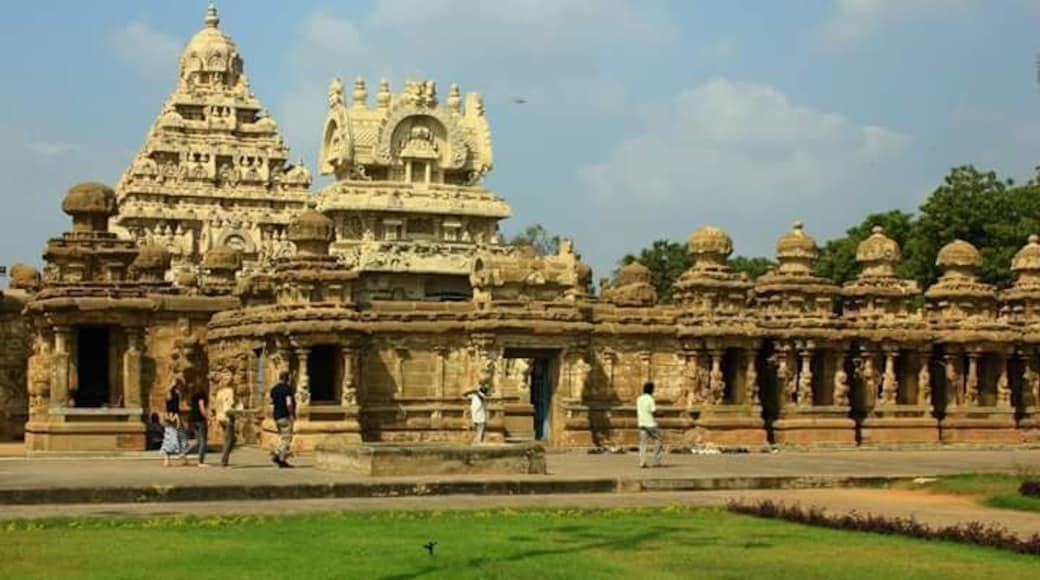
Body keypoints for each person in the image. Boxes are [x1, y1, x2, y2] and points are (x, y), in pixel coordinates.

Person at [160, 380, 189, 467]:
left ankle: (181, 457)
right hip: (173, 416)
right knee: (174, 438)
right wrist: (176, 418)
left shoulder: (174, 394)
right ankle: (172, 458)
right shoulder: (172, 394)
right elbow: (173, 408)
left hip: (172, 416)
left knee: (176, 437)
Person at [270, 371, 295, 468]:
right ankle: (281, 458)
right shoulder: (287, 389)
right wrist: (291, 413)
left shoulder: (274, 389)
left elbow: (272, 401)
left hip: (276, 416)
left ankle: (277, 454)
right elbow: (289, 403)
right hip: (284, 415)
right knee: (287, 438)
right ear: (287, 379)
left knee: (281, 436)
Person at [214, 385, 243, 468]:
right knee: (229, 440)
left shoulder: (220, 393)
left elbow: (217, 406)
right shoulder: (230, 393)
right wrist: (238, 409)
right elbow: (229, 408)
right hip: (227, 419)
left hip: (220, 418)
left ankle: (224, 458)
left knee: (232, 439)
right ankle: (224, 461)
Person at [637, 381, 664, 468]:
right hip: (650, 423)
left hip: (641, 423)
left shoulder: (639, 399)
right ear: (651, 390)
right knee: (659, 438)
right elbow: (653, 412)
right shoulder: (650, 399)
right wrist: (661, 414)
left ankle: (642, 462)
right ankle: (656, 461)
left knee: (643, 443)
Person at [190, 389, 210, 467]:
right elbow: (202, 409)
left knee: (198, 441)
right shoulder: (201, 396)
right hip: (200, 420)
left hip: (193, 420)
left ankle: (184, 453)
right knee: (203, 441)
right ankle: (201, 462)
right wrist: (208, 418)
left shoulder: (193, 396)